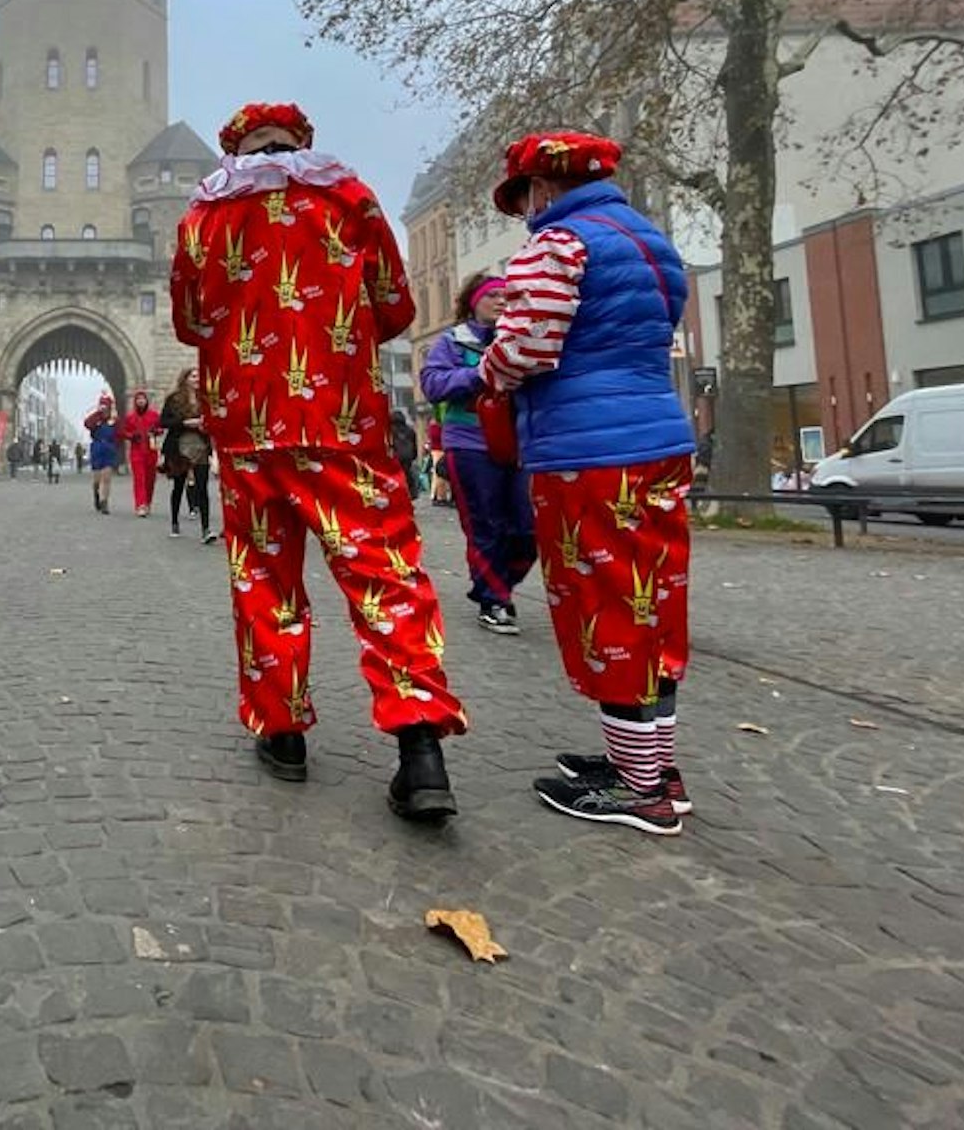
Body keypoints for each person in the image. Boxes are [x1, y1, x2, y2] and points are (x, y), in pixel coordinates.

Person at [172, 101, 465, 816]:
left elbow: (189, 321)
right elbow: (396, 307)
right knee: (384, 573)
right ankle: (420, 746)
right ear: (302, 143)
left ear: (236, 148)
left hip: (247, 428)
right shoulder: (349, 199)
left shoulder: (203, 219)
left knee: (265, 579)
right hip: (342, 423)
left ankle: (283, 731)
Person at [479, 130, 696, 837]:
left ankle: (640, 792)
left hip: (587, 446)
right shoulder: (651, 242)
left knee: (605, 605)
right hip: (659, 435)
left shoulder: (560, 244)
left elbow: (523, 349)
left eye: (526, 199)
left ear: (542, 188)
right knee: (653, 600)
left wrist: (488, 377)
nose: (527, 214)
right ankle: (653, 766)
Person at [421, 271, 537, 634]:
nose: (502, 301)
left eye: (507, 296)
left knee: (526, 532)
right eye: (493, 296)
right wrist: (479, 374)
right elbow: (432, 383)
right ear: (474, 301)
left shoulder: (523, 341)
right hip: (469, 442)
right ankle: (494, 600)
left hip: (516, 443)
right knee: (486, 524)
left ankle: (497, 584)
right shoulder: (453, 341)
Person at [159, 366, 218, 543]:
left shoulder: (205, 399)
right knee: (178, 486)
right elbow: (163, 422)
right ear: (185, 378)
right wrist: (185, 422)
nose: (196, 378)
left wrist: (204, 424)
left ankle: (205, 529)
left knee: (202, 488)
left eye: (198, 376)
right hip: (179, 448)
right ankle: (175, 523)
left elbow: (214, 420)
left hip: (200, 446)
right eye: (193, 376)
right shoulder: (174, 399)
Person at [120, 389, 161, 516]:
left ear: (146, 401)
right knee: (139, 478)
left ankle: (147, 502)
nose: (141, 401)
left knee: (150, 479)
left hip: (151, 450)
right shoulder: (130, 417)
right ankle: (140, 504)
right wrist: (131, 436)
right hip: (136, 451)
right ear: (135, 401)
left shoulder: (154, 415)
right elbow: (122, 432)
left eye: (143, 399)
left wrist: (156, 431)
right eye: (138, 399)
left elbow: (161, 428)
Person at [84, 394, 120, 514]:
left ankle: (105, 502)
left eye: (106, 405)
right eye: (102, 405)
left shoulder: (114, 420)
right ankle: (96, 494)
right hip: (97, 448)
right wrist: (97, 414)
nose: (105, 408)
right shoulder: (95, 418)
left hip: (109, 449)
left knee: (107, 478)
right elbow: (87, 424)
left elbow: (120, 432)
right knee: (97, 479)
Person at [388, 410, 421, 499]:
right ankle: (411, 493)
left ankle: (398, 494)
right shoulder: (410, 430)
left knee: (396, 476)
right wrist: (414, 455)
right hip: (408, 456)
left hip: (395, 456)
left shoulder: (390, 430)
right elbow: (414, 444)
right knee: (407, 474)